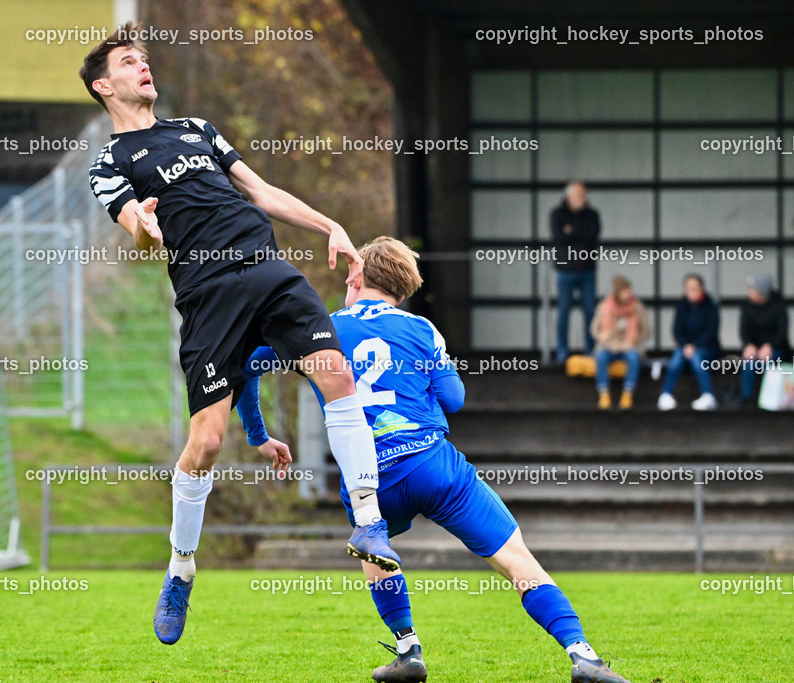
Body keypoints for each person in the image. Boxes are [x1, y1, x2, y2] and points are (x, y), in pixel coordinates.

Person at [80, 24, 399, 645]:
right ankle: (181, 567)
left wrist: (330, 226)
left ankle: (368, 519)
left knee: (336, 373)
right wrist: (145, 227)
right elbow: (135, 229)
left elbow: (260, 191)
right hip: (208, 293)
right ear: (104, 86)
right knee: (206, 442)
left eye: (144, 59)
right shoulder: (109, 163)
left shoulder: (197, 129)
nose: (143, 66)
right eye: (128, 61)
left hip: (268, 269)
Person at [239, 237, 632, 683]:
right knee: (514, 558)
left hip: (369, 478)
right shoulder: (421, 328)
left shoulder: (319, 330)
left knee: (375, 549)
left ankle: (408, 650)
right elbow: (454, 398)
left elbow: (249, 364)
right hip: (432, 464)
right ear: (402, 290)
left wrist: (258, 434)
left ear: (356, 277)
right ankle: (583, 656)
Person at [551, 182, 601, 364]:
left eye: (584, 194)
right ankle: (562, 352)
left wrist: (571, 231)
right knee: (563, 311)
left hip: (587, 269)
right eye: (580, 194)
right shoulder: (558, 214)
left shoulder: (592, 214)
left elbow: (593, 235)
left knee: (590, 312)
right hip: (565, 270)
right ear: (569, 196)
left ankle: (591, 350)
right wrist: (579, 233)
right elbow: (559, 237)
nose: (584, 198)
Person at [657, 274, 720, 411]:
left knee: (697, 359)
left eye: (694, 288)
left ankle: (708, 395)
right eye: (688, 288)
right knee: (676, 358)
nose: (691, 291)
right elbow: (676, 330)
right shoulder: (682, 306)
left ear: (701, 288)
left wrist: (694, 345)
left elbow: (710, 332)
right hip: (685, 347)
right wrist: (685, 345)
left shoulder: (710, 306)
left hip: (707, 348)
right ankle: (665, 394)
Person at [590, 276, 650, 410]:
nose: (629, 294)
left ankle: (627, 393)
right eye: (625, 291)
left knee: (634, 357)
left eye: (629, 290)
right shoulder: (604, 306)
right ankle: (604, 393)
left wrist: (636, 339)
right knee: (600, 356)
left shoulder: (636, 307)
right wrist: (601, 336)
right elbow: (594, 329)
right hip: (609, 345)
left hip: (629, 345)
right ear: (617, 293)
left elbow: (646, 329)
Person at [739, 274, 790, 406]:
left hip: (776, 348)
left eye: (753, 290)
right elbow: (744, 331)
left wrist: (770, 346)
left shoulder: (778, 306)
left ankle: (768, 400)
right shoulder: (746, 306)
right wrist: (749, 345)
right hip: (755, 348)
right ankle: (747, 398)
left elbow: (782, 332)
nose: (750, 293)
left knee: (768, 361)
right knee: (749, 361)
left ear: (762, 293)